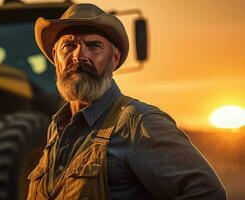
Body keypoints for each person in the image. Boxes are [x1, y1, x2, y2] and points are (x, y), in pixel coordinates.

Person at [27, 3, 226, 200]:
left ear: (114, 59)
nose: (79, 55)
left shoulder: (139, 122)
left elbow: (207, 193)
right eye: (68, 46)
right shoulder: (56, 129)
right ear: (55, 56)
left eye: (93, 46)